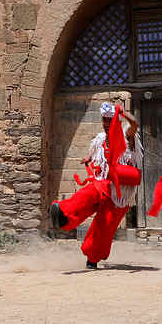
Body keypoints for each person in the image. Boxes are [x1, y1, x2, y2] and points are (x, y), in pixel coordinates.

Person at [49, 102, 143, 268]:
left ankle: (92, 258)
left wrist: (122, 112)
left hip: (120, 195)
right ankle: (63, 216)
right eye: (104, 120)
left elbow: (134, 123)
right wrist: (88, 158)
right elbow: (96, 155)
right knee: (86, 195)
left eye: (110, 120)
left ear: (116, 120)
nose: (106, 124)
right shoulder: (100, 139)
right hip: (103, 183)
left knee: (103, 227)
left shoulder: (127, 135)